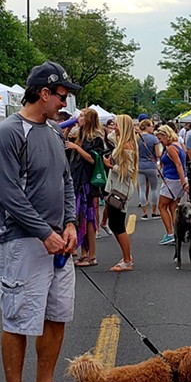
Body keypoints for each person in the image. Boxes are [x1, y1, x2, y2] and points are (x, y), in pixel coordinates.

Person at [0, 61, 80, 382]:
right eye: (61, 96)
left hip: (56, 240)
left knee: (56, 316)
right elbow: (9, 193)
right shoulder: (9, 133)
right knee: (19, 320)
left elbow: (66, 181)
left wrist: (71, 223)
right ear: (44, 93)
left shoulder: (55, 133)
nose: (65, 103)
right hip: (23, 243)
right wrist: (44, 232)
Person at [63, 108, 106, 266]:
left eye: (82, 116)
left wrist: (77, 148)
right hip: (76, 180)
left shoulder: (96, 138)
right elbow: (64, 147)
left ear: (89, 119)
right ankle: (83, 253)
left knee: (89, 218)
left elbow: (94, 160)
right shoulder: (79, 135)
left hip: (87, 183)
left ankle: (92, 255)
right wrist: (67, 130)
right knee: (79, 217)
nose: (78, 118)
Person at [102, 114, 140, 271]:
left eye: (116, 124)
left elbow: (128, 171)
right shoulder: (123, 142)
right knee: (115, 222)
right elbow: (110, 136)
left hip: (121, 188)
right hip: (116, 186)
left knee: (118, 224)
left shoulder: (127, 146)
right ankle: (127, 257)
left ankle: (127, 259)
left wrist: (111, 166)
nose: (113, 127)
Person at [154, 124, 188, 245]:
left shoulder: (171, 148)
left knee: (162, 206)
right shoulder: (177, 145)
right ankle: (176, 233)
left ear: (166, 135)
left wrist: (183, 181)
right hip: (177, 179)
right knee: (173, 207)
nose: (160, 141)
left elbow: (178, 165)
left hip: (173, 180)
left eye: (160, 138)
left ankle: (169, 233)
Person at [136, 119, 160, 220]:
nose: (152, 128)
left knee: (142, 188)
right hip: (151, 165)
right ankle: (154, 212)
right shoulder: (154, 139)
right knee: (154, 189)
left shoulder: (137, 138)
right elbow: (158, 154)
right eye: (151, 126)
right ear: (146, 127)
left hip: (140, 165)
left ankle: (144, 213)